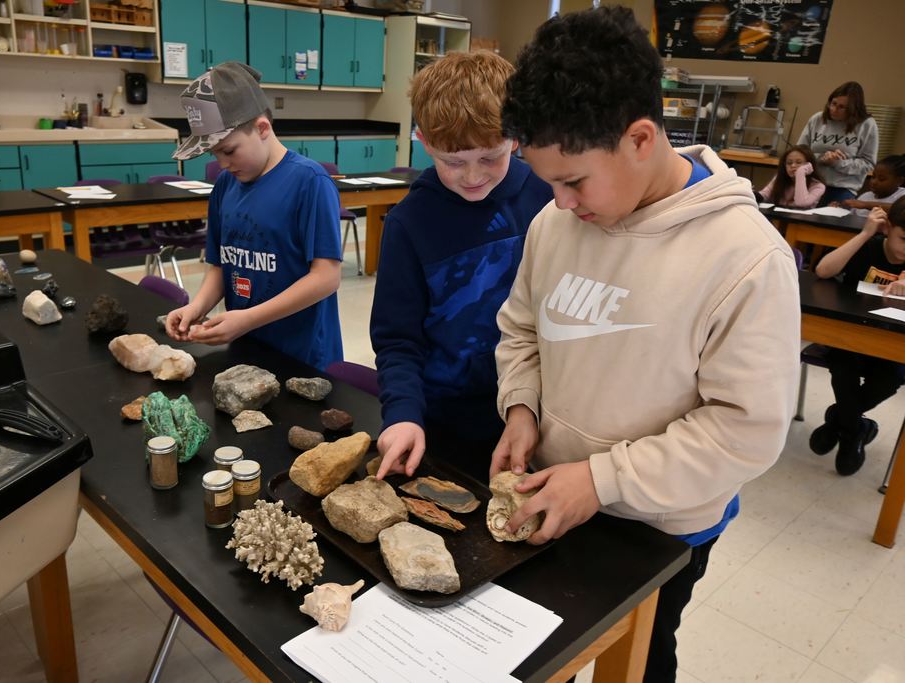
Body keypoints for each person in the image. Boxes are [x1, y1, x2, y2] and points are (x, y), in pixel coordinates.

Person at [494, 7, 800, 682]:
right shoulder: (553, 223)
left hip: (659, 530)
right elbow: (521, 328)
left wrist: (603, 480)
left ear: (640, 138)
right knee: (547, 658)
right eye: (548, 181)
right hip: (552, 493)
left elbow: (743, 432)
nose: (561, 202)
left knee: (639, 660)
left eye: (573, 180)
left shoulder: (748, 260)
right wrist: (521, 406)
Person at [370, 51, 553, 482]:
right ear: (423, 141)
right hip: (445, 419)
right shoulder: (409, 222)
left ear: (515, 137)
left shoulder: (552, 199)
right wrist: (402, 414)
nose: (472, 176)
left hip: (543, 415)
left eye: (489, 157)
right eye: (453, 161)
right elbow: (398, 339)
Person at [164, 62, 343, 371]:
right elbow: (221, 266)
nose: (222, 163)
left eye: (229, 150)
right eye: (214, 155)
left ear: (262, 128)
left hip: (302, 356)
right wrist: (197, 306)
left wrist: (247, 319)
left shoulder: (309, 182)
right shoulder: (225, 185)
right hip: (247, 348)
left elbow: (326, 277)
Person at [810, 200, 905, 475]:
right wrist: (864, 233)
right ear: (888, 227)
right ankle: (856, 431)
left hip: (892, 346)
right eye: (903, 238)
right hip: (849, 339)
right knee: (842, 366)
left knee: (891, 378)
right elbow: (823, 271)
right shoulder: (869, 247)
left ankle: (838, 420)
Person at [797, 81, 879, 206]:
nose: (834, 110)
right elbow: (799, 153)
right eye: (833, 104)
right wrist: (821, 158)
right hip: (811, 182)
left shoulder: (866, 124)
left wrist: (838, 163)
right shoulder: (818, 119)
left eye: (842, 107)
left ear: (853, 109)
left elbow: (868, 163)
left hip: (842, 188)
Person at [757, 144, 825, 209]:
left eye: (798, 162)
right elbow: (764, 195)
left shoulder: (818, 186)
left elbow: (801, 203)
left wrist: (800, 172)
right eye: (789, 163)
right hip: (777, 219)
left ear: (809, 165)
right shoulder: (780, 178)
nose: (793, 166)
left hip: (799, 220)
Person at [836, 154, 905, 214]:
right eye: (873, 177)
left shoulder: (902, 195)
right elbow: (851, 217)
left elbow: (899, 210)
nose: (874, 182)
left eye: (881, 179)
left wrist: (865, 205)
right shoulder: (865, 196)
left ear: (899, 181)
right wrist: (837, 210)